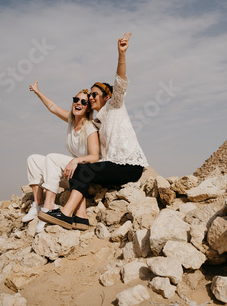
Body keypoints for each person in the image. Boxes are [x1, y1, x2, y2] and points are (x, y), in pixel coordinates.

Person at [39, 32, 148, 230]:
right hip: (113, 165)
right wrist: (38, 93)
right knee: (78, 170)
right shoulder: (96, 122)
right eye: (90, 96)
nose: (90, 98)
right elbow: (58, 111)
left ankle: (65, 214)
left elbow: (120, 80)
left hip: (129, 166)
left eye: (94, 94)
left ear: (107, 96)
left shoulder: (115, 105)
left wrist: (121, 54)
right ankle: (80, 218)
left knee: (83, 167)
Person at [23, 81, 100, 233]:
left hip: (84, 175)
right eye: (76, 100)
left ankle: (49, 207)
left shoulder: (90, 128)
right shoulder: (71, 121)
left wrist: (76, 160)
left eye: (83, 102)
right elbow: (53, 107)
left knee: (51, 157)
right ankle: (38, 203)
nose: (78, 103)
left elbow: (95, 157)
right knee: (33, 159)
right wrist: (38, 92)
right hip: (70, 172)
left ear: (88, 108)